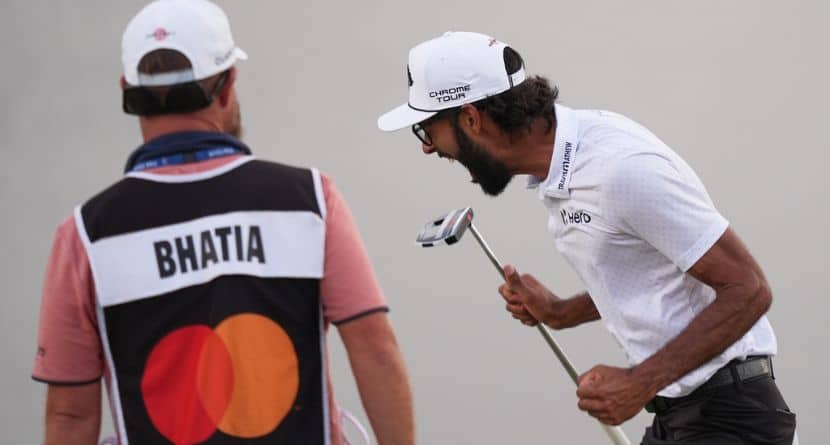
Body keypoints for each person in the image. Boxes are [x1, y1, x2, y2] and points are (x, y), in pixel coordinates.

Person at [377, 31, 796, 444]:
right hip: (687, 417)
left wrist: (640, 382)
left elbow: (748, 288)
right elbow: (652, 271)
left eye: (427, 130)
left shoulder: (619, 169)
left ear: (471, 118)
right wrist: (561, 313)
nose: (428, 148)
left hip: (733, 419)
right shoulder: (563, 165)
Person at [32, 1, 414, 444]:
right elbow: (375, 348)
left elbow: (70, 415)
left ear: (126, 91)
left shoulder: (83, 236)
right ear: (228, 84)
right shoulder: (311, 201)